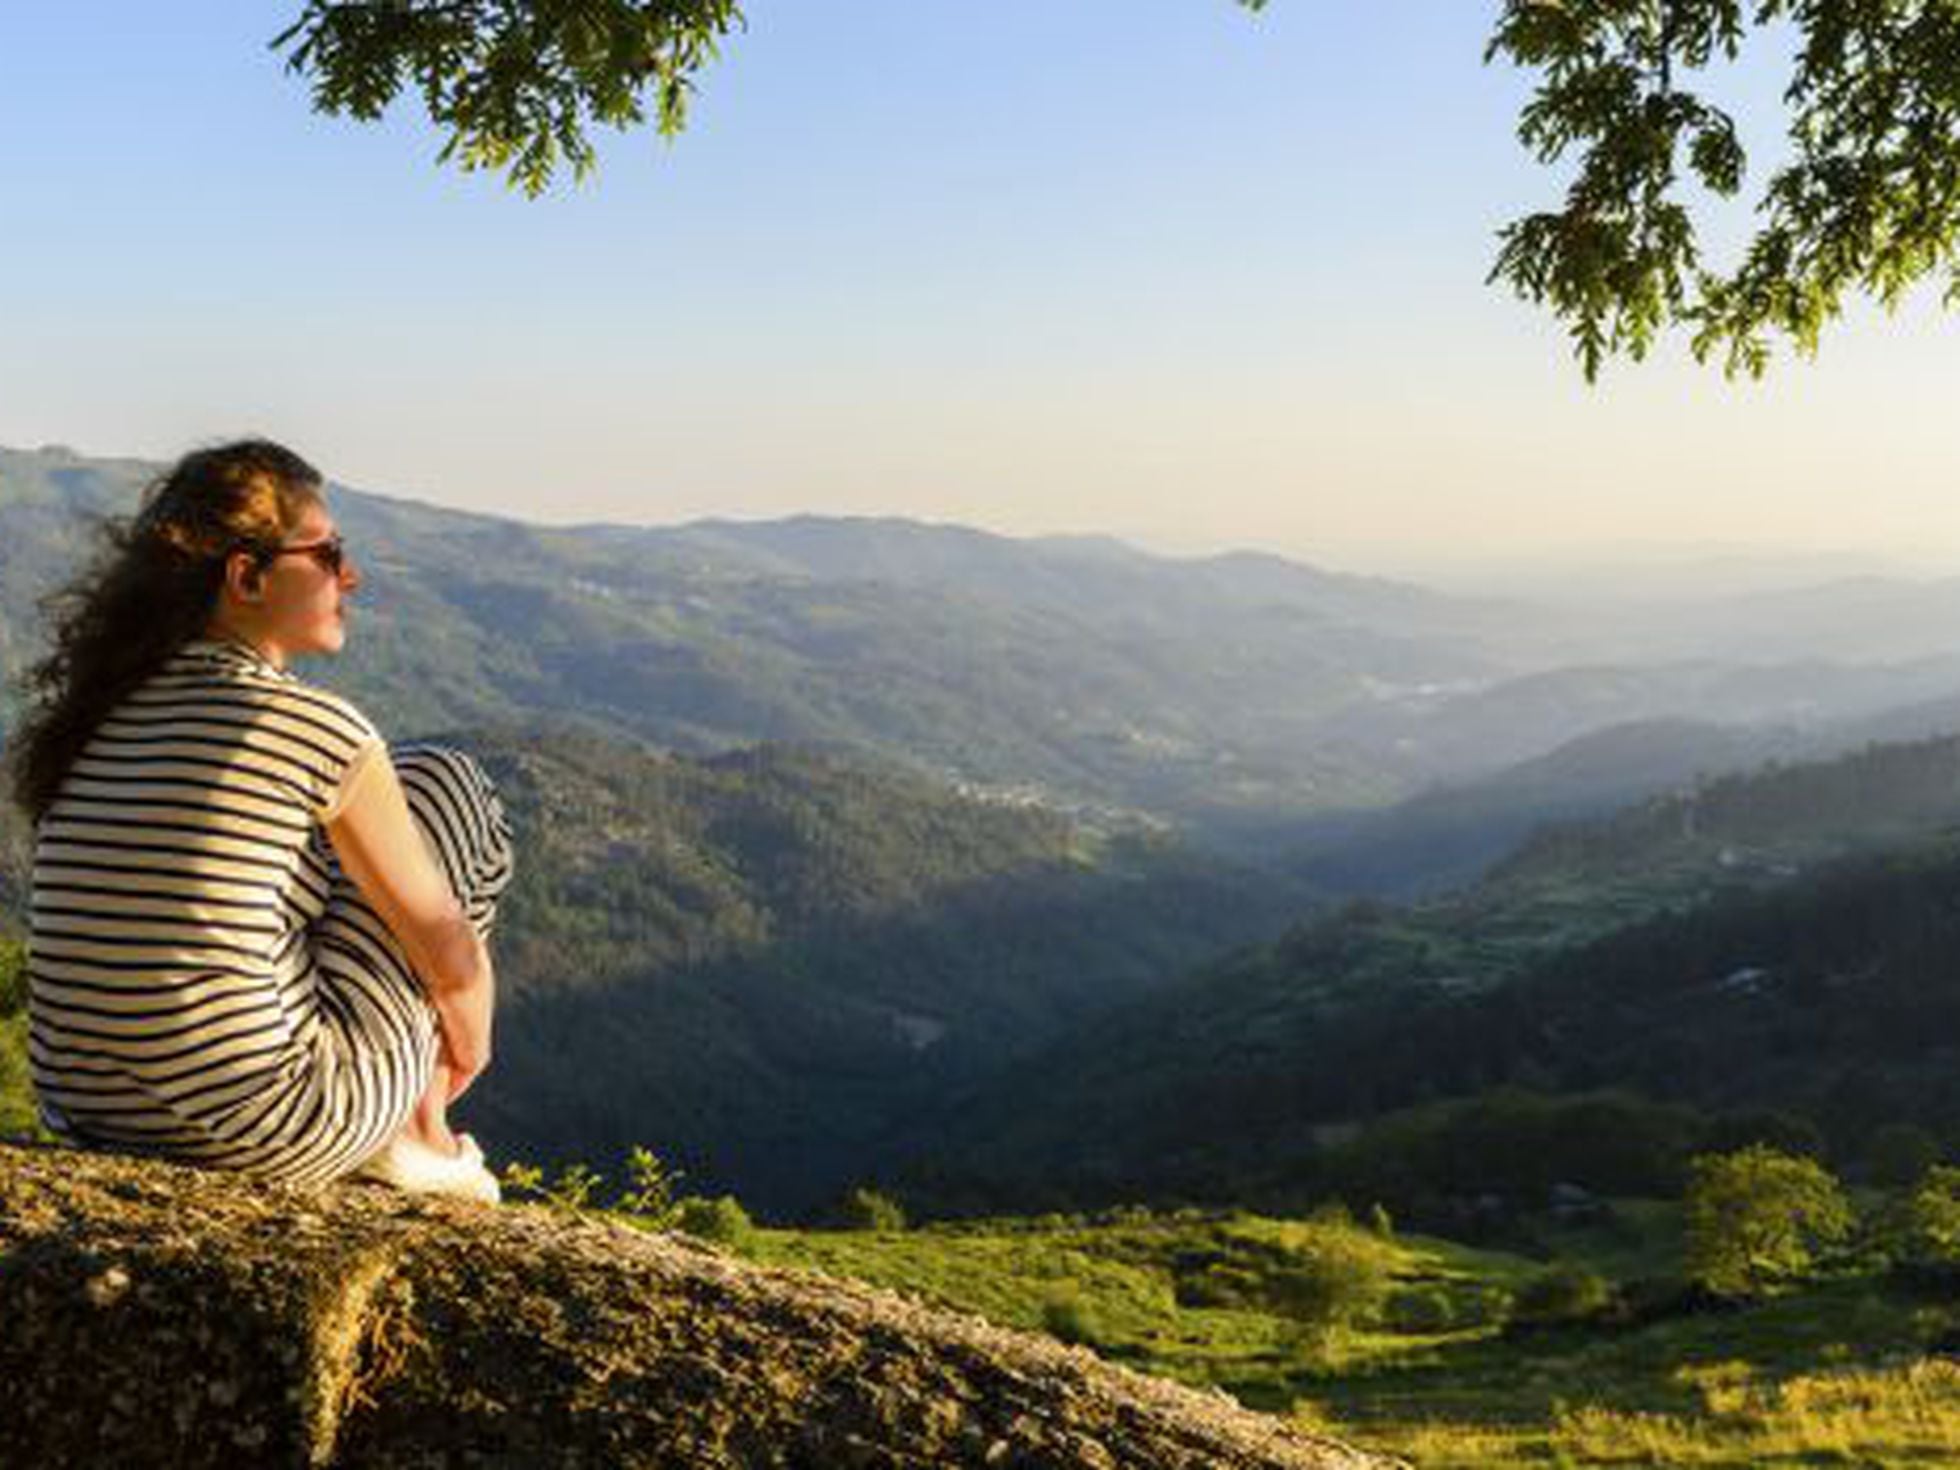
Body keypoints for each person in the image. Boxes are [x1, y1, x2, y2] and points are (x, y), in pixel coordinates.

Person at [10, 439, 511, 1202]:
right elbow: (449, 953)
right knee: (445, 782)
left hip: (89, 1111)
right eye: (329, 553)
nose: (351, 576)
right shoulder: (317, 731)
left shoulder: (94, 719)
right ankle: (422, 1131)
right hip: (276, 1122)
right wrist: (461, 1047)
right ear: (246, 576)